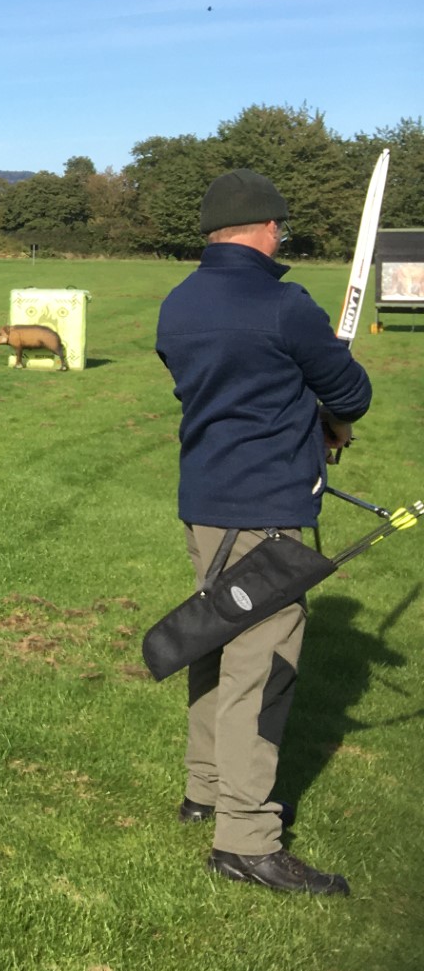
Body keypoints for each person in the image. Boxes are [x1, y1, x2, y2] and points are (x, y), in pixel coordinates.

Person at [155, 168, 372, 897]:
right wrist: (324, 409)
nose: (284, 234)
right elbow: (352, 394)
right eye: (280, 224)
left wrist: (301, 409)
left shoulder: (178, 304)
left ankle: (205, 790)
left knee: (214, 643)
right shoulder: (285, 304)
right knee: (264, 668)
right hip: (270, 513)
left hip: (206, 504)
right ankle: (246, 839)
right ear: (266, 227)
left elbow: (234, 385)